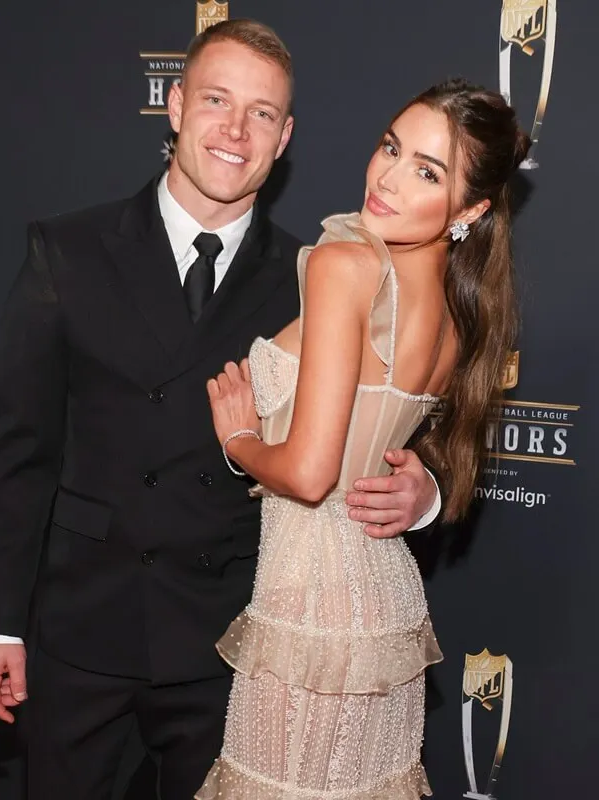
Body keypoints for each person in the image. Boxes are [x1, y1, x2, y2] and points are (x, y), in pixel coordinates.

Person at [0, 19, 444, 800]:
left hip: (231, 639)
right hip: (83, 626)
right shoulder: (69, 250)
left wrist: (424, 495)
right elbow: (18, 453)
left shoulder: (320, 274)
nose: (235, 128)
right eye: (217, 100)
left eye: (262, 113)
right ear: (176, 106)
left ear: (284, 137)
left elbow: (403, 417)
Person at [195, 78, 528, 798]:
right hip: (381, 611)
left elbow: (312, 475)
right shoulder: (461, 309)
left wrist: (242, 439)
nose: (388, 177)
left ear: (471, 208)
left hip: (309, 605)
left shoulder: (345, 265)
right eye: (391, 148)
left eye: (427, 171)